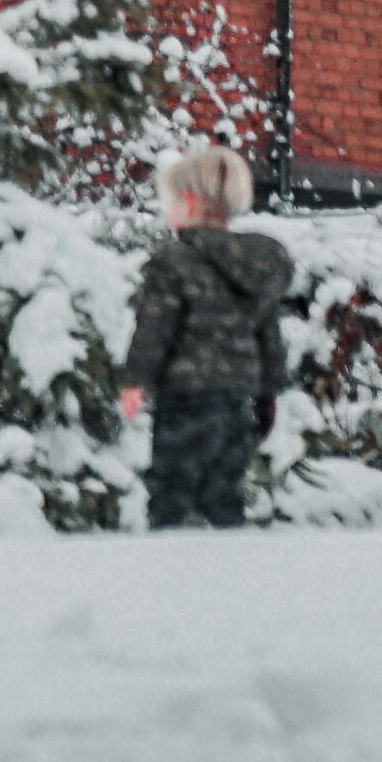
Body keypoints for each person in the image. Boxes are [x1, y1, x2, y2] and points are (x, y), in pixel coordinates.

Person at [117, 139, 292, 530]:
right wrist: (268, 394)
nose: (168, 214)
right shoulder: (256, 267)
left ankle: (168, 570)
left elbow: (156, 327)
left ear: (190, 203)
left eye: (171, 203)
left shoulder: (173, 263)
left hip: (185, 395)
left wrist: (135, 381)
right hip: (237, 397)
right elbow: (268, 334)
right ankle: (228, 574)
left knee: (171, 490)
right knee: (223, 491)